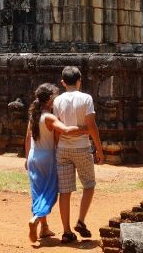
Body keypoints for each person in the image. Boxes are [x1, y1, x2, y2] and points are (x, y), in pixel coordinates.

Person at [24, 83, 88, 244]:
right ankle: (37, 218)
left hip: (33, 155)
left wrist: (26, 158)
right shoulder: (49, 117)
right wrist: (85, 129)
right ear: (50, 99)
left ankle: (44, 228)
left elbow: (27, 138)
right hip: (47, 157)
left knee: (37, 191)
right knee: (50, 193)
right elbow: (65, 130)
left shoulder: (33, 116)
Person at [52, 66, 104, 244]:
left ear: (63, 82)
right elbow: (92, 126)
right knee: (89, 185)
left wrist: (56, 148)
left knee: (64, 191)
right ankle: (81, 220)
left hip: (63, 148)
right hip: (82, 147)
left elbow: (57, 128)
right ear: (79, 80)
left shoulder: (58, 101)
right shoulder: (86, 98)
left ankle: (66, 231)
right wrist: (99, 149)